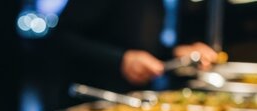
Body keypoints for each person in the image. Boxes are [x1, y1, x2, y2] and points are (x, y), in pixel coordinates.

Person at [52, 0, 218, 92]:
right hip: (89, 98)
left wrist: (176, 53)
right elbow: (63, 38)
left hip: (133, 98)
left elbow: (142, 45)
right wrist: (121, 60)